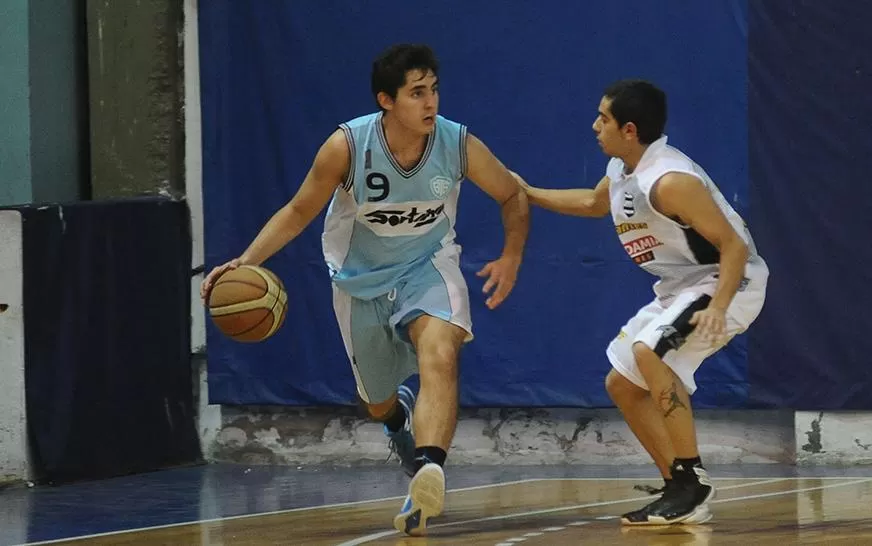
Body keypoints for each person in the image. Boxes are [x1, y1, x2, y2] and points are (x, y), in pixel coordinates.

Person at [201, 44, 529, 536]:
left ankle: (429, 467)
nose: (430, 102)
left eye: (434, 90)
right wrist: (247, 261)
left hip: (429, 265)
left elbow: (511, 194)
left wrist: (511, 257)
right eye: (417, 93)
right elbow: (297, 212)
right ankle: (396, 423)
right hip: (360, 281)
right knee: (375, 402)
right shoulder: (347, 147)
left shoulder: (457, 144)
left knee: (440, 353)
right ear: (386, 101)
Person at [515, 79, 767, 525]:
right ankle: (677, 485)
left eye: (603, 118)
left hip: (728, 282)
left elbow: (734, 247)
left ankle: (692, 480)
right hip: (683, 286)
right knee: (623, 384)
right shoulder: (622, 169)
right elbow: (594, 202)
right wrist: (528, 192)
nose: (595, 125)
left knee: (650, 353)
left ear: (629, 130)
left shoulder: (668, 181)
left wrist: (718, 306)